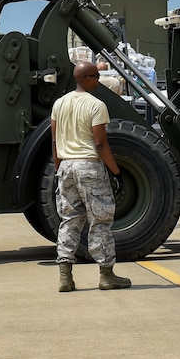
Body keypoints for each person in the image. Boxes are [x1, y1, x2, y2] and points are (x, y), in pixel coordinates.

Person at [51, 62, 131, 292]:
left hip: (66, 165)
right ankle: (107, 275)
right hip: (89, 166)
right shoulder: (96, 105)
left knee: (70, 220)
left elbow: (55, 141)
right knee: (100, 219)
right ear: (86, 78)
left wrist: (59, 168)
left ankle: (65, 277)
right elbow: (99, 143)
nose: (98, 80)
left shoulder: (59, 103)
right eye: (96, 76)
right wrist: (116, 171)